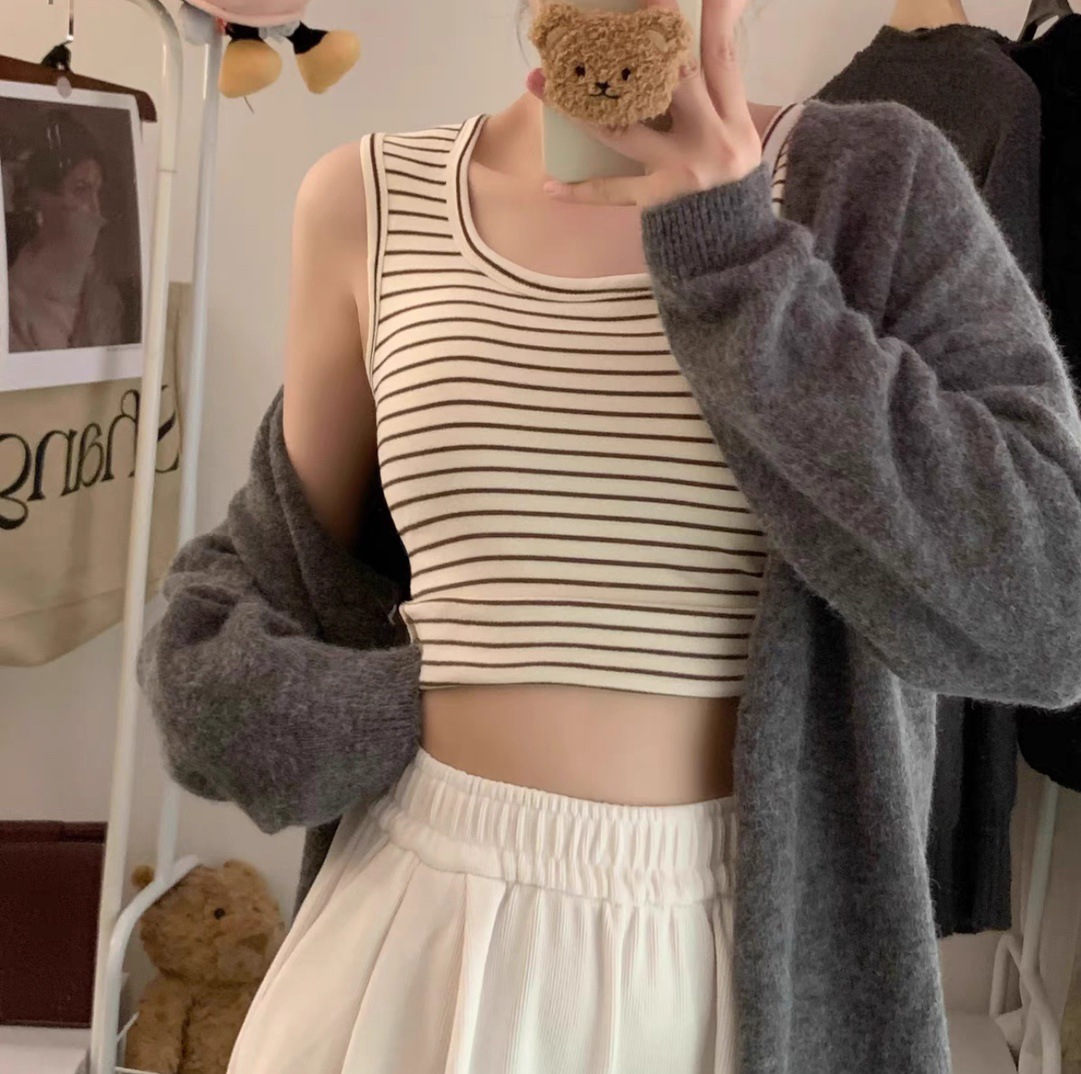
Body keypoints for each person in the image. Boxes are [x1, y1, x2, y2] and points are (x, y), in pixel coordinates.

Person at [140, 0, 1081, 1070]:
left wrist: (736, 259)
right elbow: (249, 598)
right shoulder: (368, 198)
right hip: (413, 929)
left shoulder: (876, 181)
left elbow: (1046, 616)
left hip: (738, 958)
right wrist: (374, 713)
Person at [7, 109, 124, 353]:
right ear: (43, 200)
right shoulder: (13, 304)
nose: (95, 209)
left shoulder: (101, 292)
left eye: (97, 191)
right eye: (81, 189)